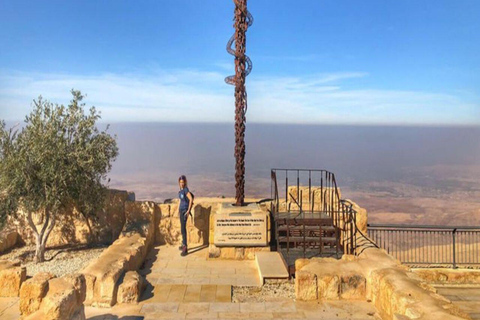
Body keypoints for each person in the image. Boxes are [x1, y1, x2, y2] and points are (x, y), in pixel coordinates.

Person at [178, 175, 193, 256]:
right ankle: (183, 243)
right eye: (180, 182)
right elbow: (180, 201)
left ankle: (185, 247)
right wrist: (178, 210)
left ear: (185, 182)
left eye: (183, 182)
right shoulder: (181, 190)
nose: (182, 184)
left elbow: (190, 199)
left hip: (184, 211)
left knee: (183, 229)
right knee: (182, 228)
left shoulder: (186, 190)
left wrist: (188, 210)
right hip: (181, 210)